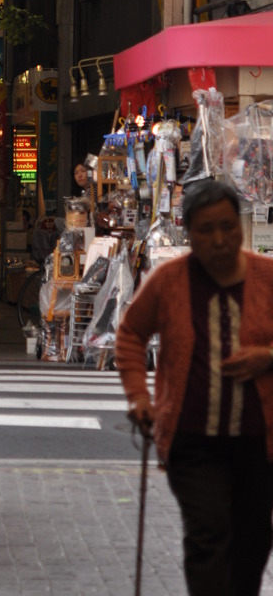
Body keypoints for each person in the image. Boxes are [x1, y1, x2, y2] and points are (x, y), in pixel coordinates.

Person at [116, 179, 273, 596]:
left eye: (228, 227)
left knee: (254, 540)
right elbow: (130, 335)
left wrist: (268, 357)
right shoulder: (168, 280)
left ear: (240, 227)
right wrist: (138, 397)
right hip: (191, 439)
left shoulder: (267, 277)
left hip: (261, 443)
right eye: (206, 230)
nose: (219, 239)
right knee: (208, 532)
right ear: (188, 232)